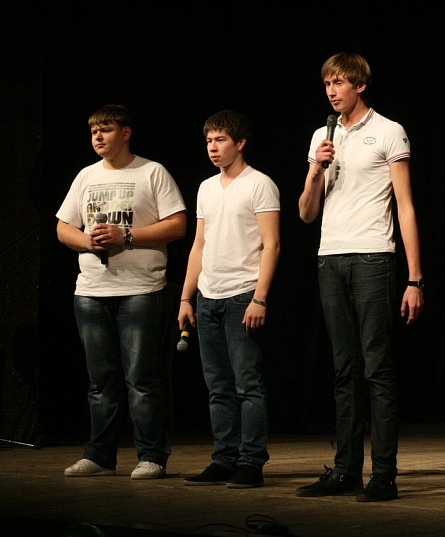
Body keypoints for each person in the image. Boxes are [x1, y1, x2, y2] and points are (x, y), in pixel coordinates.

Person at [296, 52, 424, 502]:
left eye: (339, 83)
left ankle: (383, 474)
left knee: (377, 368)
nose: (331, 91)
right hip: (329, 257)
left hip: (373, 256)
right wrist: (316, 168)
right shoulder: (322, 135)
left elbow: (405, 205)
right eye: (327, 83)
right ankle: (346, 470)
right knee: (344, 370)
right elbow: (306, 213)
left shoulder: (389, 131)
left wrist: (415, 278)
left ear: (360, 85)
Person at [56, 103, 187, 479]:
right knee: (101, 381)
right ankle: (99, 455)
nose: (98, 137)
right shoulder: (86, 175)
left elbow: (177, 225)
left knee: (141, 379)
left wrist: (125, 236)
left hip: (140, 290)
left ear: (126, 133)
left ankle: (152, 456)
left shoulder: (151, 172)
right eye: (93, 131)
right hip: (91, 291)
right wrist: (86, 241)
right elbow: (63, 227)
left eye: (106, 130)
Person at [178, 110, 280, 489]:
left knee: (247, 385)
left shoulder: (260, 184)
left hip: (242, 296)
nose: (213, 147)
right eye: (209, 141)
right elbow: (198, 245)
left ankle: (251, 461)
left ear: (240, 142)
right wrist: (186, 297)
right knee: (217, 386)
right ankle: (223, 459)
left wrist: (260, 298)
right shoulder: (206, 188)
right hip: (208, 297)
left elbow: (272, 244)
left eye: (220, 140)